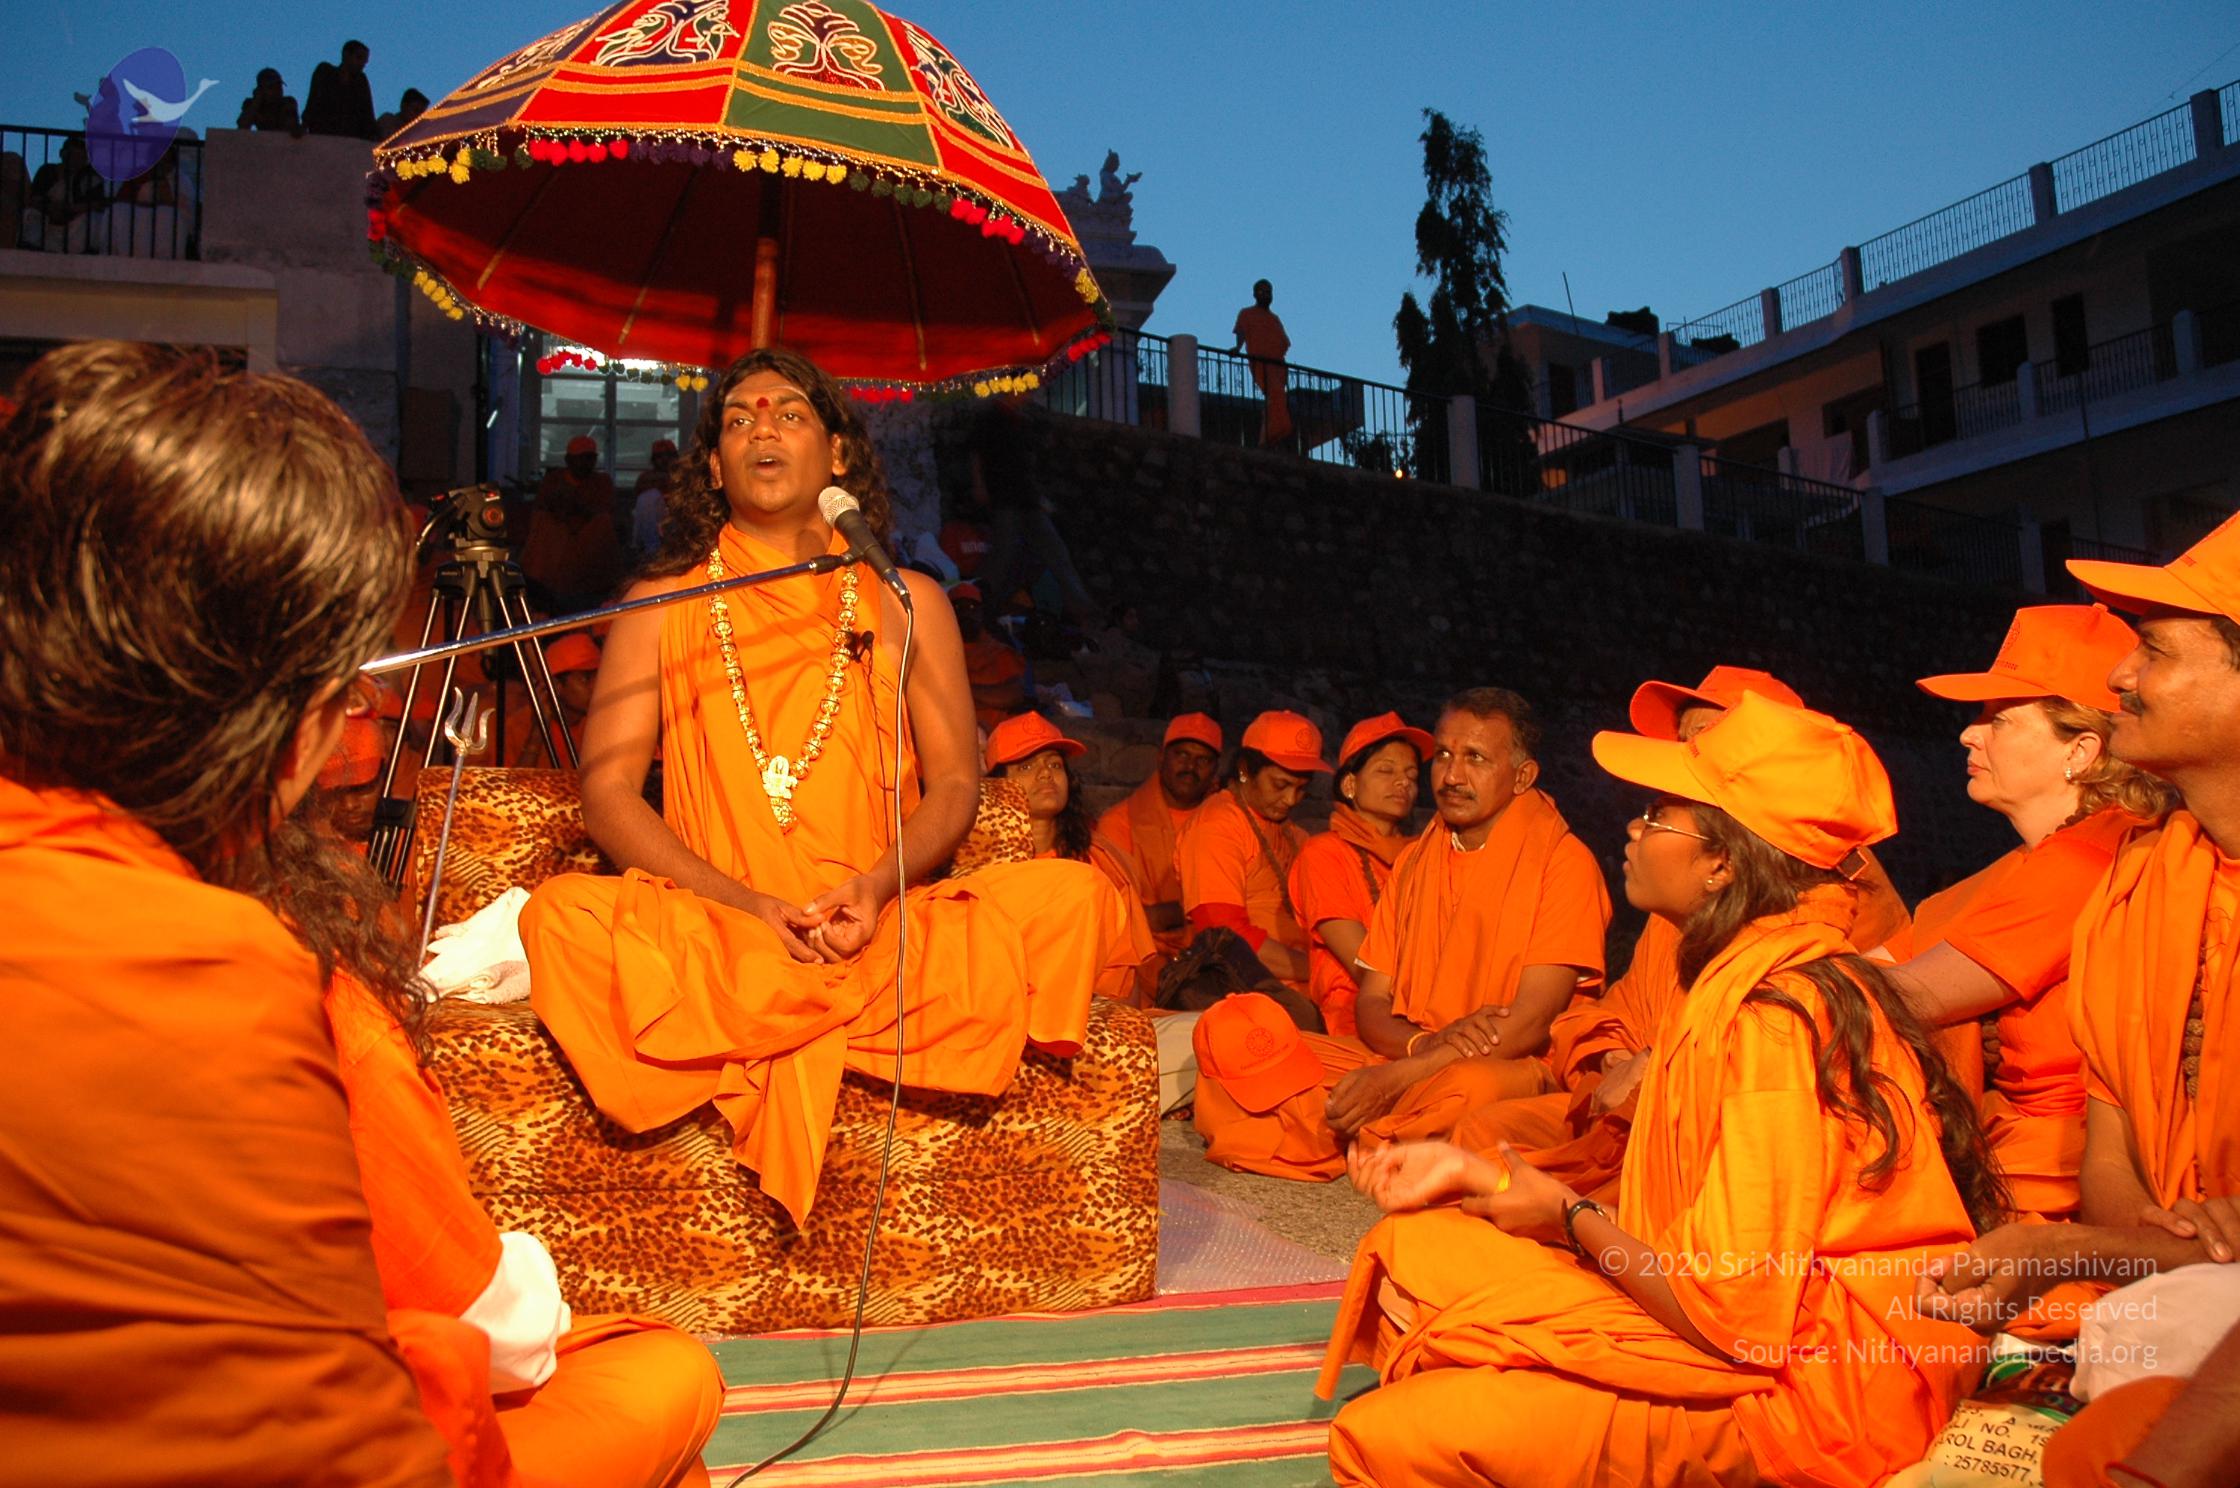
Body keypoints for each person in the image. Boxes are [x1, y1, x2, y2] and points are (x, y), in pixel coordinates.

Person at [518, 348, 1140, 1227]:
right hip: (726, 926)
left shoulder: (906, 598)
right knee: (562, 918)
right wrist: (744, 905)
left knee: (1072, 897)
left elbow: (955, 782)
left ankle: (782, 1017)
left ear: (839, 452)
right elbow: (608, 792)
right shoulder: (660, 602)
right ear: (712, 466)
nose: (761, 430)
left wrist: (876, 889)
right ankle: (819, 1013)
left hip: (875, 929)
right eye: (738, 420)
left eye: (788, 414)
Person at [1323, 693, 2001, 1488]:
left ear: (1723, 863)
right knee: (1412, 1249)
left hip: (1815, 1395)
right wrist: (1490, 1179)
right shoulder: (1741, 969)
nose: (1631, 830)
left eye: (1657, 816)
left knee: (1383, 1436)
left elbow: (1736, 1318)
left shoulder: (1775, 1017)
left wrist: (1566, 1215)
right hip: (1727, 1309)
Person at [0, 341, 456, 1483]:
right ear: (284, 721)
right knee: (651, 1379)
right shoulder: (211, 965)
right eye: (341, 685)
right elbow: (349, 1446)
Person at [1917, 512, 2240, 1478]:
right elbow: (2113, 1152)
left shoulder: (2090, 863)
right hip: (2136, 1266)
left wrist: (2081, 1253)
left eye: (2154, 651)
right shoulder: (2141, 881)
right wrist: (2136, 1245)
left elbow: (1900, 997)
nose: (2120, 676)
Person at [1452, 664, 1910, 1202]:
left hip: (1706, 1154)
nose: (1684, 759)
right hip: (1642, 1113)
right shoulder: (1689, 887)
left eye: (1707, 740)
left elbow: (1758, 1192)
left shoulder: (1813, 932)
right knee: (1479, 1141)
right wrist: (1614, 1058)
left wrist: (1656, 1073)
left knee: (1459, 1193)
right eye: (1683, 742)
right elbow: (1619, 1007)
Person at [324, 971, 724, 1487]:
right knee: (674, 1368)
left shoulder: (234, 994)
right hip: (346, 1431)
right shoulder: (336, 1019)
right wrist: (521, 1261)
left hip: (258, 1400)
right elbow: (500, 1341)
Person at [1890, 605, 2173, 1224]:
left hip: (2056, 1191)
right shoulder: (2035, 862)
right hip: (2026, 1169)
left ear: (2082, 749)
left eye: (1999, 718)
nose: (1969, 735)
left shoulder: (2088, 857)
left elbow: (1901, 994)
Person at [1320, 688, 1611, 1147]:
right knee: (1242, 1036)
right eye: (1443, 755)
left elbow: (1530, 1023)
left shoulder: (1564, 864)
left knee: (1471, 1092)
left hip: (1505, 1064)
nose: (1452, 776)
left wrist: (1404, 1075)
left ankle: (1377, 1125)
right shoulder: (1413, 862)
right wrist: (1421, 1046)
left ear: (1522, 776)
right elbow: (1372, 1002)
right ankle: (1388, 1128)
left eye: (1475, 758)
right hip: (1410, 1051)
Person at [983, 711, 1156, 1001]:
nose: (1046, 774)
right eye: (1027, 766)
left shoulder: (1100, 863)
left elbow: (1123, 984)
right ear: (997, 785)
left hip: (1090, 1014)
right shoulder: (975, 869)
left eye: (1055, 764)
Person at [1288, 712, 1432, 1036]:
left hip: (1426, 1013)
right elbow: (1361, 963)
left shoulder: (1422, 854)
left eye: (1411, 774)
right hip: (1355, 1024)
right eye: (1386, 770)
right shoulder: (1323, 854)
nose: (1403, 782)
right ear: (1350, 784)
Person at [1176, 709, 1327, 1007]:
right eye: (1280, 785)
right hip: (1244, 995)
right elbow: (1224, 938)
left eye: (1301, 789)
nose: (1290, 800)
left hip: (1300, 987)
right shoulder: (1216, 827)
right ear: (1245, 770)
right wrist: (1322, 969)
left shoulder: (1293, 834)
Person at [1094, 712, 1223, 957]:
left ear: (1215, 769)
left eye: (1203, 760)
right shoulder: (1118, 823)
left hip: (1217, 957)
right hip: (1144, 959)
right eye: (1182, 755)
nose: (1190, 767)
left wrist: (1170, 914)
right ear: (1161, 757)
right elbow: (1113, 914)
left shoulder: (1229, 823)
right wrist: (1191, 911)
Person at [968, 392, 1099, 628]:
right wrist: (981, 485)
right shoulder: (992, 418)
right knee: (1005, 554)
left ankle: (1082, 607)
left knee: (1053, 551)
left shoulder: (1019, 420)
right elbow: (978, 455)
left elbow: (1023, 464)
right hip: (1006, 496)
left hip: (1024, 497)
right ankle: (976, 602)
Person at [522, 434, 623, 614]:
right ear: (568, 460)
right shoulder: (553, 480)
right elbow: (544, 508)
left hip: (588, 545)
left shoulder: (601, 482)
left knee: (602, 523)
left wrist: (578, 508)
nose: (585, 463)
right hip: (555, 545)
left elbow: (603, 511)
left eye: (590, 458)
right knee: (543, 522)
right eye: (581, 458)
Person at [951, 580, 1028, 728]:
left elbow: (1013, 695)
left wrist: (963, 692)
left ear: (981, 613)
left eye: (972, 607)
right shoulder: (937, 652)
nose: (966, 613)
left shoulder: (999, 653)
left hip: (996, 734)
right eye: (958, 608)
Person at [1232, 278, 1293, 447]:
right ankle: (1273, 432)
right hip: (1262, 363)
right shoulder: (1246, 313)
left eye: (1268, 292)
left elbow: (1284, 342)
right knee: (1276, 396)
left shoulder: (1274, 318)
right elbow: (1241, 332)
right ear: (1254, 294)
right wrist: (1237, 348)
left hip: (1278, 366)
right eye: (1262, 291)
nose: (1266, 295)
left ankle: (1269, 434)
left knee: (1276, 399)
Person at [305, 39, 378, 139]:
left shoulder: (360, 81)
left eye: (364, 62)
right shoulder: (325, 72)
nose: (361, 64)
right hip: (324, 134)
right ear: (346, 55)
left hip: (352, 138)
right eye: (359, 58)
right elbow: (313, 102)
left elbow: (367, 114)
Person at [632, 437, 679, 556]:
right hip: (651, 528)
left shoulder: (684, 476)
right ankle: (652, 551)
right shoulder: (645, 478)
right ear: (653, 460)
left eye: (669, 455)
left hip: (676, 523)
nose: (665, 460)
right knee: (650, 497)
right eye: (660, 456)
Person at [236, 68, 301, 132]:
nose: (277, 90)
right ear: (261, 89)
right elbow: (242, 126)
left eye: (279, 86)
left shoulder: (288, 102)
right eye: (271, 87)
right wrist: (256, 102)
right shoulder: (251, 104)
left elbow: (291, 127)